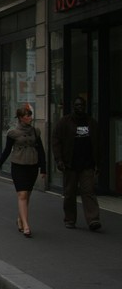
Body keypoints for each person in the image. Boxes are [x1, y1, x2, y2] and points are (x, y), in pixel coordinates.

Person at [0, 106, 46, 238]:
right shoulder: (13, 133)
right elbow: (6, 151)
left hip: (32, 165)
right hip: (18, 166)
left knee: (27, 195)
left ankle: (20, 219)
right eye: (27, 115)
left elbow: (41, 151)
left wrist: (43, 168)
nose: (30, 117)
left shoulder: (35, 131)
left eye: (30, 115)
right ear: (21, 118)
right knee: (22, 195)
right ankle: (26, 225)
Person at [52, 97, 102, 231]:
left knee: (89, 192)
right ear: (73, 106)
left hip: (87, 164)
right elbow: (56, 140)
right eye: (77, 105)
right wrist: (59, 160)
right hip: (70, 164)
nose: (80, 107)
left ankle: (93, 219)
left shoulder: (91, 122)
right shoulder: (65, 122)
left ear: (85, 107)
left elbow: (98, 144)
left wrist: (98, 163)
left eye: (82, 105)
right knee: (70, 193)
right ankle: (70, 219)